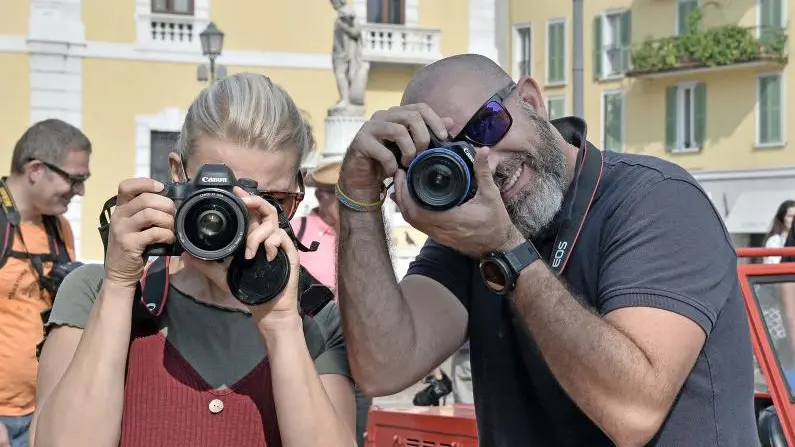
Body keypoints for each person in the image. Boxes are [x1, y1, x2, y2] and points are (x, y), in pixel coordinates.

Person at [335, 54, 758, 446]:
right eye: (454, 153)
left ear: (531, 100)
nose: (488, 162)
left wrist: (505, 249)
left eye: (487, 126)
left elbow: (633, 410)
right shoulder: (473, 230)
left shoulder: (656, 200)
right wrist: (357, 199)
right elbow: (382, 366)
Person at [30, 73, 356, 447]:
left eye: (272, 200)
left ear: (296, 193)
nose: (245, 217)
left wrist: (282, 326)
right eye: (219, 196)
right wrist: (120, 286)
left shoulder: (314, 318)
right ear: (176, 174)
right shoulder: (96, 292)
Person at [0, 119, 91, 447]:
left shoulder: (59, 229)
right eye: (76, 179)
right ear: (36, 169)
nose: (80, 191)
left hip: (43, 410)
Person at [290, 158, 371, 447]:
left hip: (358, 352)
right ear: (322, 195)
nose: (347, 204)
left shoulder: (364, 236)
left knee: (354, 431)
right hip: (312, 351)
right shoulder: (296, 231)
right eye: (340, 196)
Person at [763, 200, 795, 264]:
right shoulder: (775, 240)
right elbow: (773, 265)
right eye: (790, 216)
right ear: (782, 218)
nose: (794, 219)